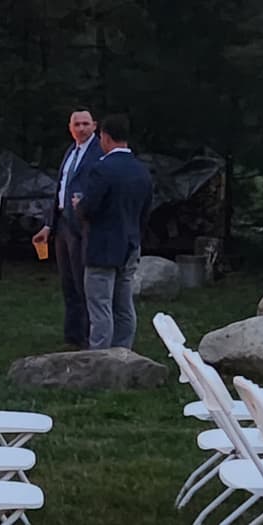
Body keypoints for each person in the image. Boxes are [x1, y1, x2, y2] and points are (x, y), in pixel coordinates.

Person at [74, 114, 152, 350]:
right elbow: (146, 209)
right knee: (124, 304)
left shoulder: (102, 169)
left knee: (100, 305)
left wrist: (80, 205)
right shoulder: (142, 171)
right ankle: (124, 351)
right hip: (130, 243)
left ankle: (100, 357)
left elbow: (91, 207)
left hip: (103, 246)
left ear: (104, 137)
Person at [32, 108, 103, 349]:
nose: (81, 128)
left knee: (83, 281)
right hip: (62, 222)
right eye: (77, 124)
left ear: (94, 126)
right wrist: (48, 224)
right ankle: (72, 336)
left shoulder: (98, 152)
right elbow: (61, 187)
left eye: (85, 124)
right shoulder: (71, 152)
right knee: (68, 282)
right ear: (70, 128)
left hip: (81, 224)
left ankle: (86, 337)